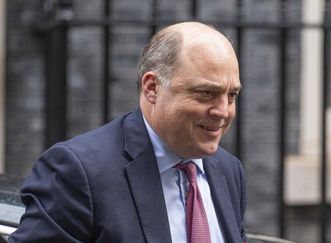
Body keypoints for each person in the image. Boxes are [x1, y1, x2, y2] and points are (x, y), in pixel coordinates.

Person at [9, 21, 247, 243]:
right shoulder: (78, 172)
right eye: (206, 93)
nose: (223, 111)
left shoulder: (228, 170)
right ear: (152, 88)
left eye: (231, 95)